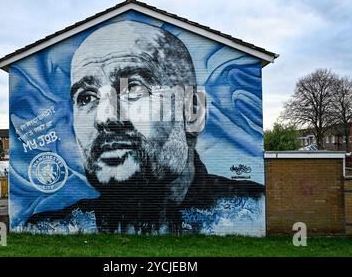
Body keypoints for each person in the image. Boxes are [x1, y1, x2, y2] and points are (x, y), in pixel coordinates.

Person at [28, 20, 264, 233]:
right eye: (87, 97)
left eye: (133, 88)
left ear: (193, 112)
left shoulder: (252, 207)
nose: (105, 117)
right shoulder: (54, 227)